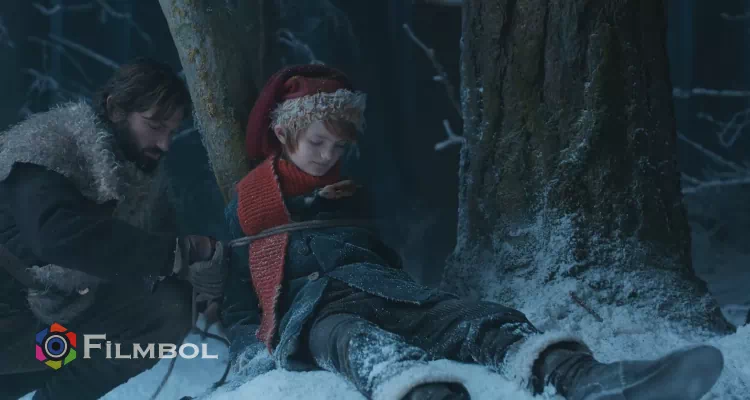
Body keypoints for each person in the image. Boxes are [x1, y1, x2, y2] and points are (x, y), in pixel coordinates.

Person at [220, 64, 724, 400]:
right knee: (358, 343)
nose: (328, 156)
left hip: (384, 290)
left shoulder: (354, 195)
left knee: (474, 318)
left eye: (337, 147)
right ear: (283, 133)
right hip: (314, 315)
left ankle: (588, 379)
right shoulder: (248, 207)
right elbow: (239, 302)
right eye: (317, 143)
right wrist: (249, 350)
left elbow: (382, 257)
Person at [0, 58, 227, 400]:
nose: (165, 144)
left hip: (48, 337)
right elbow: (56, 236)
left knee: (165, 310)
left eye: (171, 132)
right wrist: (178, 252)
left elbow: (161, 248)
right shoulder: (45, 148)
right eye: (155, 125)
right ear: (115, 109)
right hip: (10, 329)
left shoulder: (141, 177)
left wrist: (204, 275)